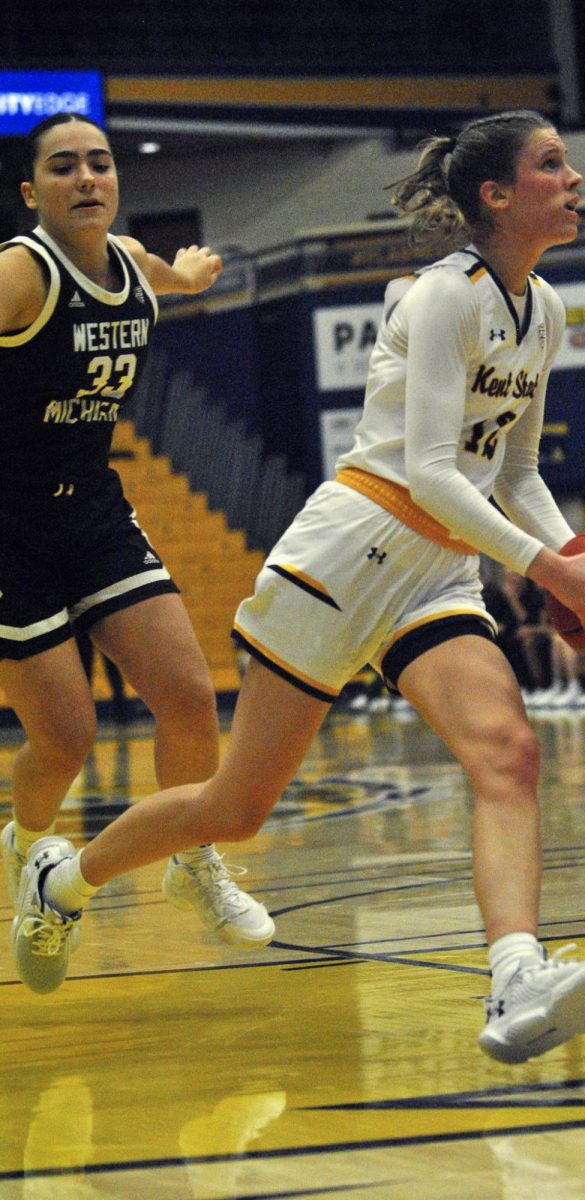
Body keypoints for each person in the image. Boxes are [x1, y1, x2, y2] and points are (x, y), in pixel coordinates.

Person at [15, 110, 585, 1063]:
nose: (574, 179)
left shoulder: (546, 311)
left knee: (508, 753)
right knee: (235, 806)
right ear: (495, 195)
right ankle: (63, 885)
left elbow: (514, 473)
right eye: (551, 165)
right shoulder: (442, 298)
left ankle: (515, 980)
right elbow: (434, 470)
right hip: (348, 555)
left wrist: (581, 567)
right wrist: (546, 566)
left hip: (437, 571)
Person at [0, 112, 273, 973]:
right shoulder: (18, 273)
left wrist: (190, 274)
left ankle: (193, 864)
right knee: (67, 736)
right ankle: (28, 851)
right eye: (64, 168)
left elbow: (164, 275)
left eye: (100, 164)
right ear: (31, 192)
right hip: (9, 530)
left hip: (92, 509)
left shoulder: (126, 263)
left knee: (191, 697)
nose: (86, 179)